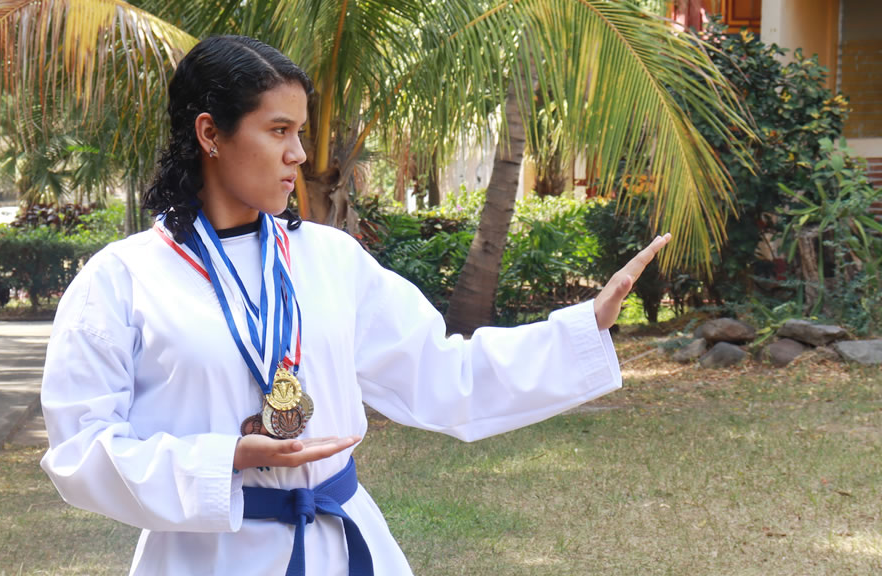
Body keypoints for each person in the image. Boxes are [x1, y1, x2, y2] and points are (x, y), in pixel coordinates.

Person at [39, 35, 671, 576]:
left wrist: (583, 327)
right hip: (209, 556)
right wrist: (221, 459)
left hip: (341, 546)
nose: (300, 155)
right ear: (211, 133)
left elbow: (442, 372)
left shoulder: (329, 260)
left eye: (301, 132)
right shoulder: (121, 280)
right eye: (278, 131)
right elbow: (80, 449)